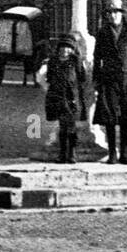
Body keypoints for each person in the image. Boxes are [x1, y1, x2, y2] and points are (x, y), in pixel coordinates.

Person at [92, 0, 127, 164]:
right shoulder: (102, 32)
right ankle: (112, 153)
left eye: (116, 12)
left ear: (122, 14)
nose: (113, 16)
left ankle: (125, 153)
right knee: (110, 116)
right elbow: (97, 57)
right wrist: (96, 80)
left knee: (126, 117)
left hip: (126, 78)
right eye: (110, 13)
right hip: (108, 78)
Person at [41, 34, 86, 164]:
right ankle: (62, 154)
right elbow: (49, 77)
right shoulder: (53, 61)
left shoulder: (75, 61)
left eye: (68, 48)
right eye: (63, 47)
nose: (65, 50)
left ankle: (71, 154)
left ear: (72, 49)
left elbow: (81, 77)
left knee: (71, 126)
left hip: (71, 97)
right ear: (59, 48)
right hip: (57, 97)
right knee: (62, 127)